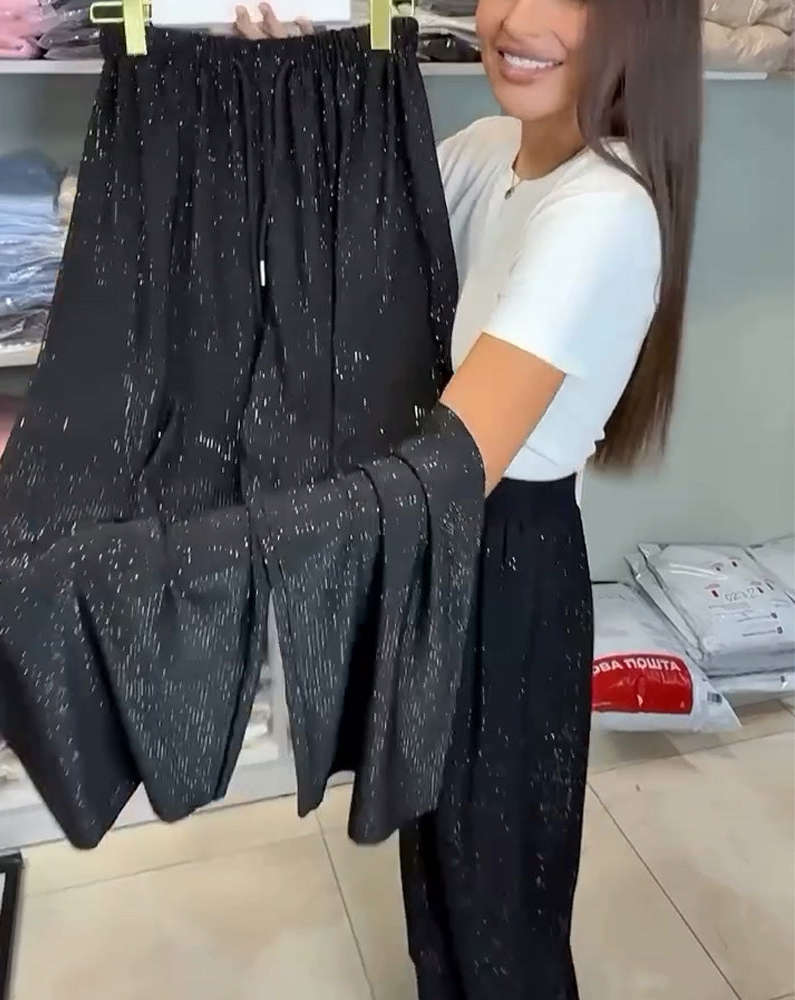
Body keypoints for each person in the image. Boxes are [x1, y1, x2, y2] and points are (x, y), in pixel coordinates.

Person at [236, 2, 702, 997]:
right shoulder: (489, 150)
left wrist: (215, 547)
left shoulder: (603, 209)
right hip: (440, 551)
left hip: (505, 566)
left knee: (497, 907)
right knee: (440, 873)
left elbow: (455, 464)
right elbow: (343, 238)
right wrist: (293, 80)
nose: (517, 19)